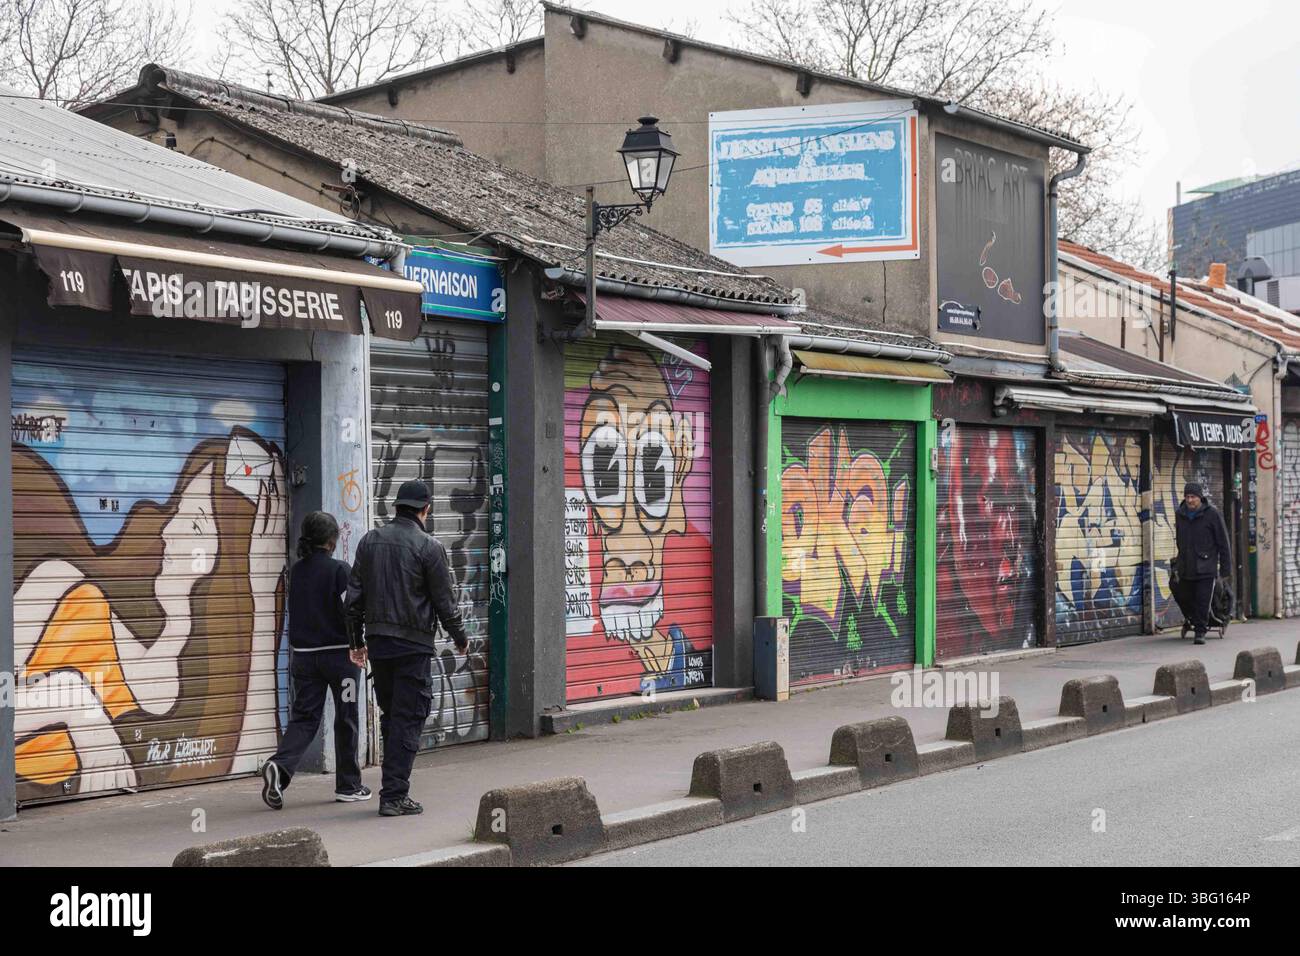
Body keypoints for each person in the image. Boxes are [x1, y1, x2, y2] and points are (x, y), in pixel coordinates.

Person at [347, 479, 467, 817]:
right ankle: (394, 796)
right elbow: (444, 601)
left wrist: (356, 643)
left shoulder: (369, 541)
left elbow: (353, 600)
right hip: (413, 646)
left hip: (380, 645)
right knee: (408, 716)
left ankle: (393, 790)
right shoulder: (429, 547)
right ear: (425, 509)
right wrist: (459, 637)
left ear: (397, 506)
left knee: (393, 716)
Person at [261, 511, 369, 810]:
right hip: (340, 659)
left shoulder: (297, 572)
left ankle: (280, 767)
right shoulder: (339, 571)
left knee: (305, 718)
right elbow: (352, 611)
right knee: (346, 716)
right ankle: (349, 785)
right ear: (333, 540)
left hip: (305, 660)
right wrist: (358, 646)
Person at [1173, 482, 1232, 645]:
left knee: (1202, 599)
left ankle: (1200, 631)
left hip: (1206, 566)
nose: (1190, 500)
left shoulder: (1212, 514)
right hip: (1186, 565)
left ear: (1200, 498)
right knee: (1186, 596)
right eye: (1187, 497)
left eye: (1193, 497)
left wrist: (1226, 569)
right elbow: (1179, 538)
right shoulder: (1180, 514)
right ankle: (1193, 621)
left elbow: (1223, 542)